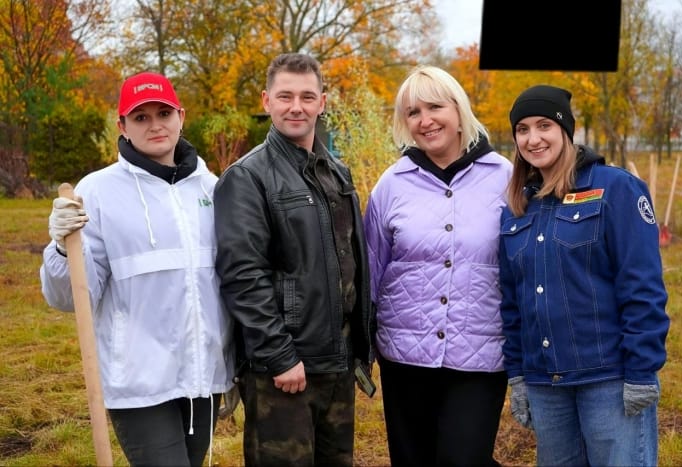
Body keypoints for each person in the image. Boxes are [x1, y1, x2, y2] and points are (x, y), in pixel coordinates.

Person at [40, 71, 234, 467]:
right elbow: (70, 298)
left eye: (163, 113)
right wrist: (61, 248)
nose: (155, 125)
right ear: (122, 126)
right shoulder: (96, 192)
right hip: (139, 381)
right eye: (141, 117)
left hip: (203, 377)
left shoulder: (211, 188)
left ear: (181, 116)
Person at [213, 52, 375, 467]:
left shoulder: (336, 172)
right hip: (284, 371)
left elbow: (349, 258)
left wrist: (359, 347)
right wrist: (280, 356)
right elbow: (242, 275)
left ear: (323, 103)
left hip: (337, 361)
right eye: (285, 96)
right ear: (267, 101)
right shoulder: (247, 177)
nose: (296, 107)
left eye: (307, 96)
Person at [499, 84, 671, 466]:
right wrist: (518, 374)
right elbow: (512, 302)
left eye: (544, 125)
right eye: (522, 129)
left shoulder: (616, 189)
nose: (532, 138)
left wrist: (641, 370)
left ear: (565, 130)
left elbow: (642, 286)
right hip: (546, 383)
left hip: (609, 380)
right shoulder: (517, 208)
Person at [363, 65, 513, 466]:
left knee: (463, 459)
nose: (425, 120)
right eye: (413, 112)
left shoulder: (505, 178)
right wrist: (363, 345)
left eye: (434, 107)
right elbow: (371, 268)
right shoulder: (392, 184)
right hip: (404, 355)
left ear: (458, 110)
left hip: (480, 353)